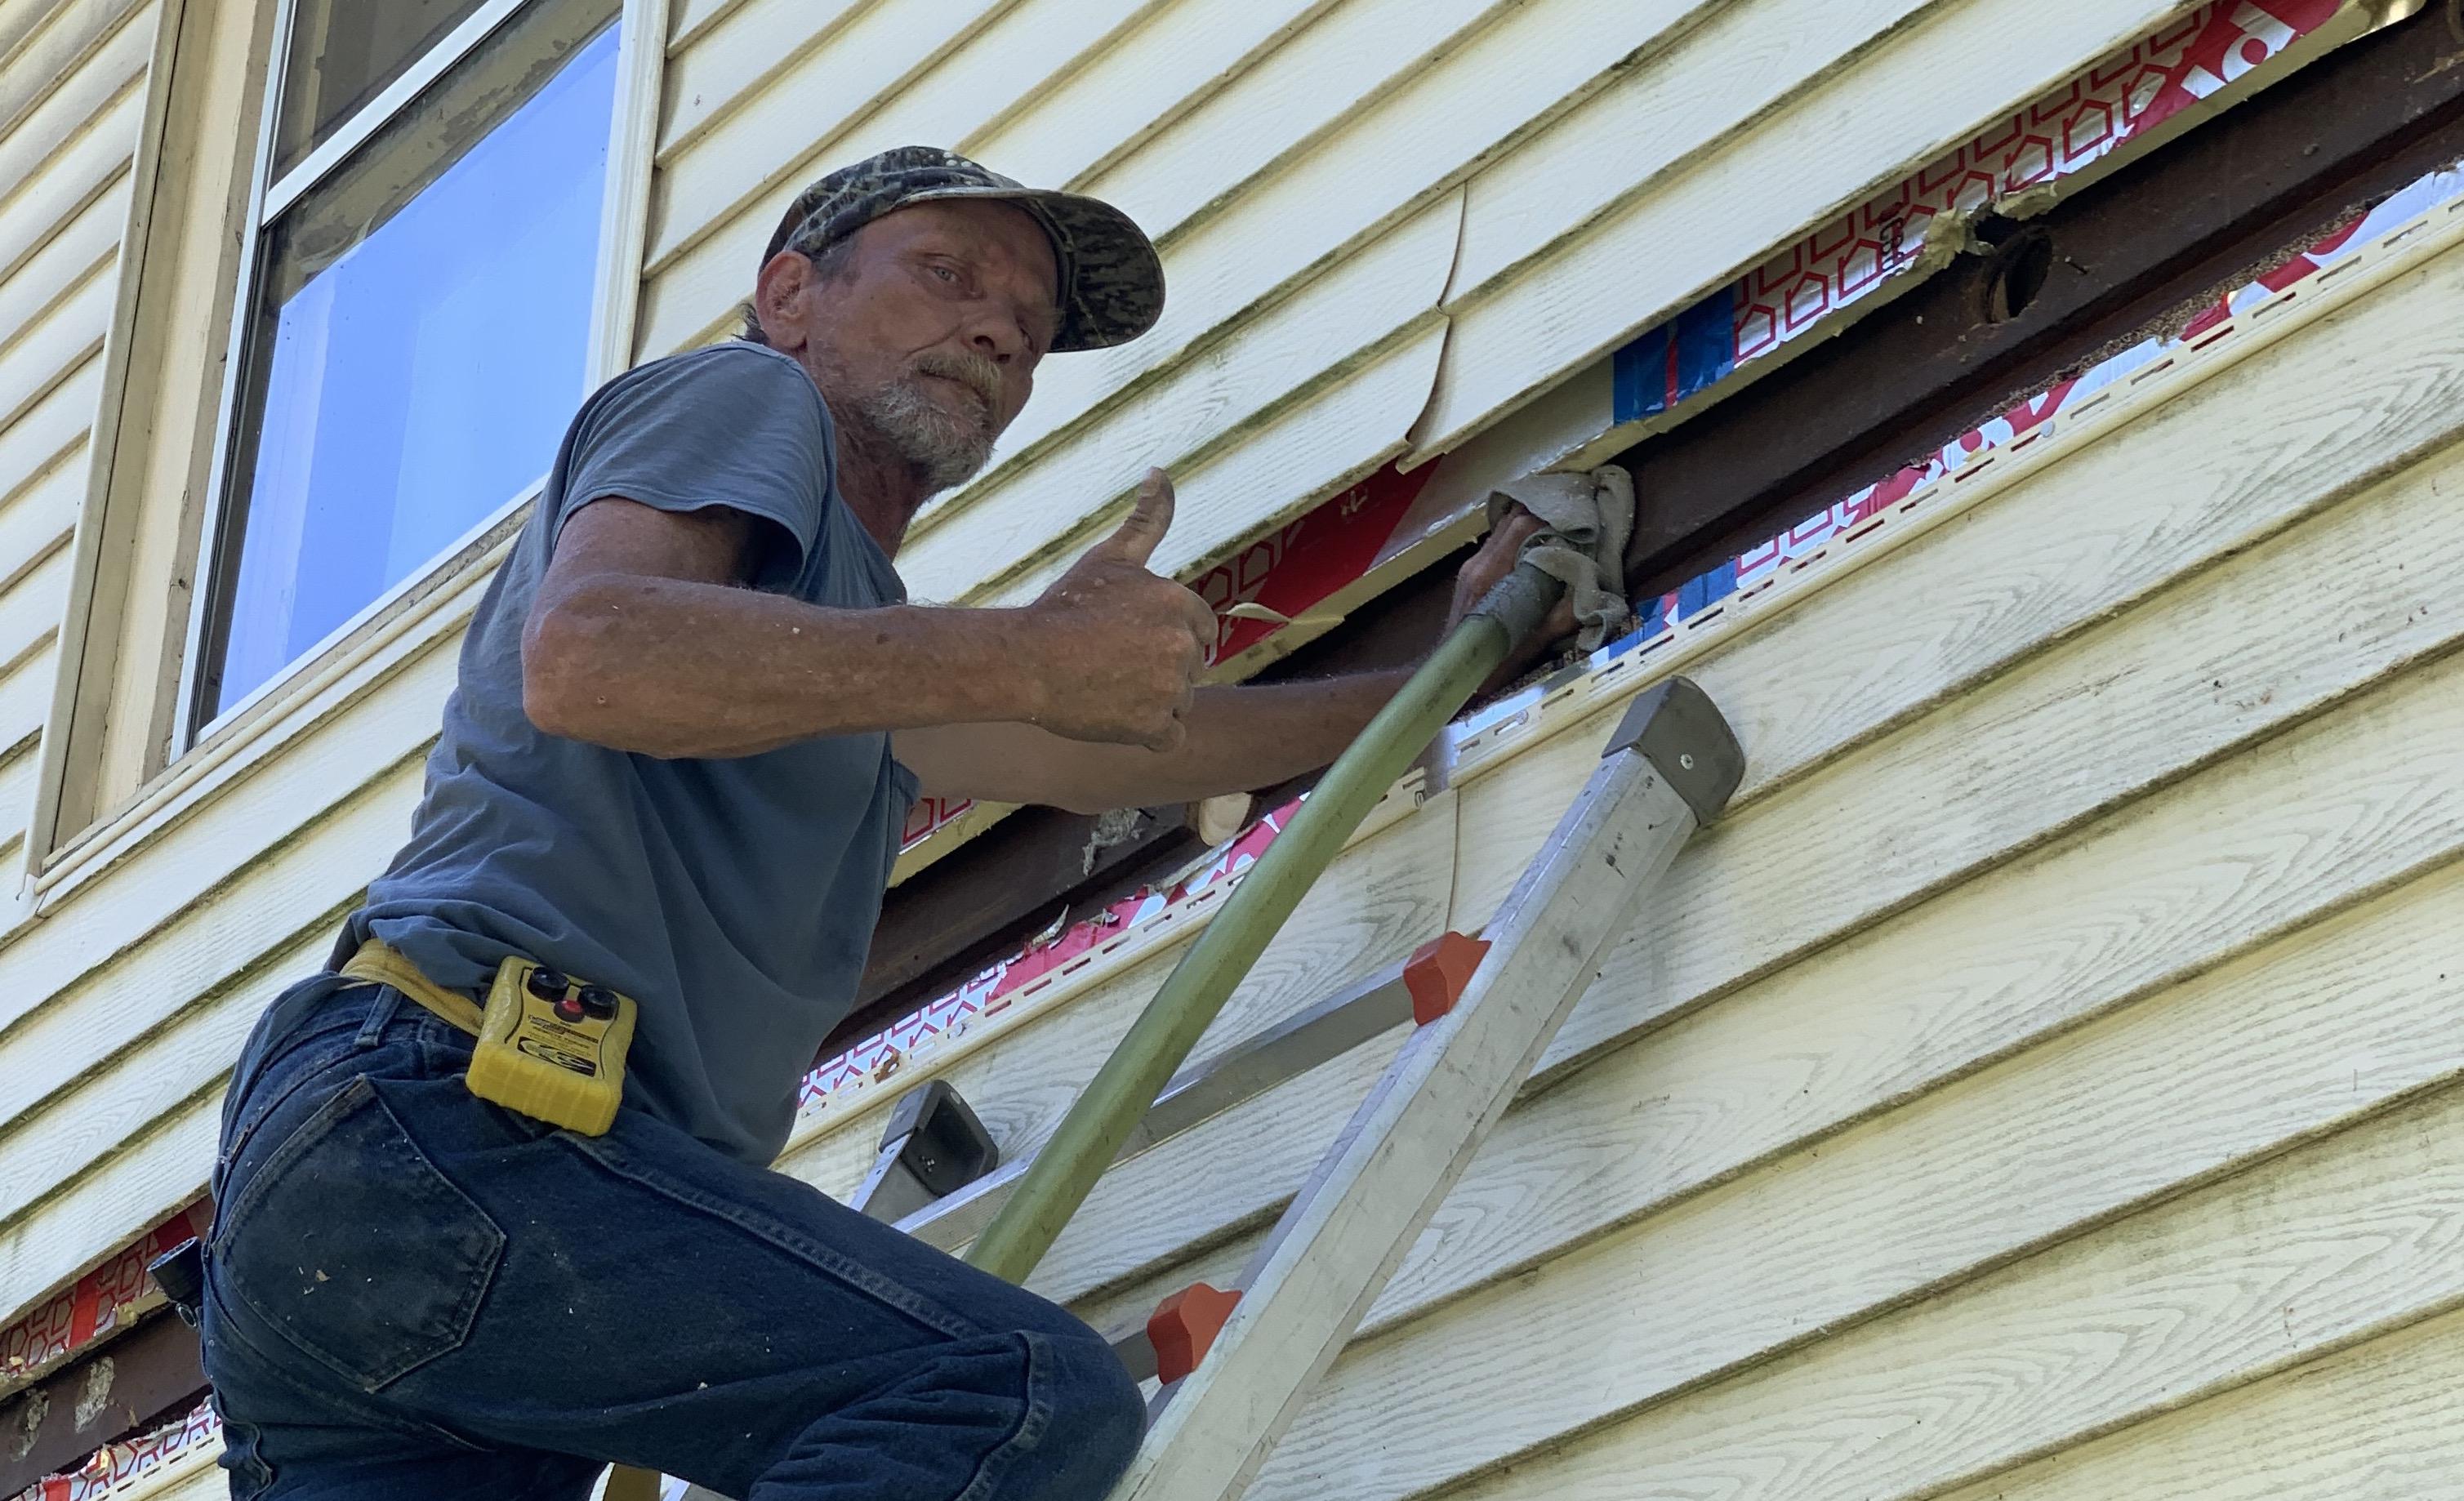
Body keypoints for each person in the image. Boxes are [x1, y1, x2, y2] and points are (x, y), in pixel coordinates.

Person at [196, 146, 1561, 1500]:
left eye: (1024, 334)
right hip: (455, 1125)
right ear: (790, 295)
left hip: (389, 1226)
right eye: (946, 274)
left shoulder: (832, 648)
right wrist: (1027, 655)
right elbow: (594, 657)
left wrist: (1448, 666)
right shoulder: (742, 394)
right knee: (1005, 1394)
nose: (992, 330)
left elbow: (1122, 754)